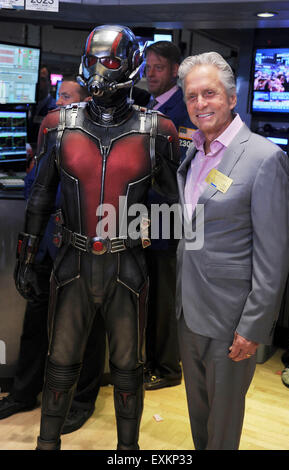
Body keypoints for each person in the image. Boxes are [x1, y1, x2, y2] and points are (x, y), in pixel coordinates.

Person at [14, 24, 179, 451]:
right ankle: (46, 443)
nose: (100, 72)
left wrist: (150, 230)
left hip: (127, 267)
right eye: (92, 61)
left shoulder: (157, 130)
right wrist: (26, 256)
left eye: (110, 61)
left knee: (128, 368)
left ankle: (128, 452)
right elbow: (40, 198)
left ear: (130, 65)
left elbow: (177, 207)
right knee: (59, 364)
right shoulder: (59, 125)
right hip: (71, 264)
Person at [176, 52, 289, 450]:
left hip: (231, 319)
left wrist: (254, 326)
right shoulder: (193, 153)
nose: (200, 104)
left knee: (222, 427)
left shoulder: (264, 158)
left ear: (231, 97)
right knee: (198, 415)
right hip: (189, 311)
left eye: (209, 93)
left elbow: (274, 255)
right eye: (192, 96)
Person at [0, 79, 106, 434]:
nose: (57, 103)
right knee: (36, 322)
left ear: (84, 104)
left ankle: (82, 401)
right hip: (47, 246)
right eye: (58, 97)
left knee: (87, 331)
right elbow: (35, 189)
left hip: (83, 250)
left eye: (66, 97)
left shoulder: (95, 142)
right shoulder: (53, 134)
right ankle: (24, 392)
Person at [144, 41, 196, 391]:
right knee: (147, 290)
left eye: (158, 67)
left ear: (174, 70)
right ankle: (148, 359)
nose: (150, 73)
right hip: (141, 213)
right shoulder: (147, 105)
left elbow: (182, 171)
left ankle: (167, 368)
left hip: (166, 214)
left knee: (163, 294)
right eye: (147, 66)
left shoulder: (183, 111)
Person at [27, 65, 57, 144]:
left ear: (49, 83)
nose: (38, 83)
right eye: (35, 78)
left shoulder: (56, 110)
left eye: (42, 79)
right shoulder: (22, 106)